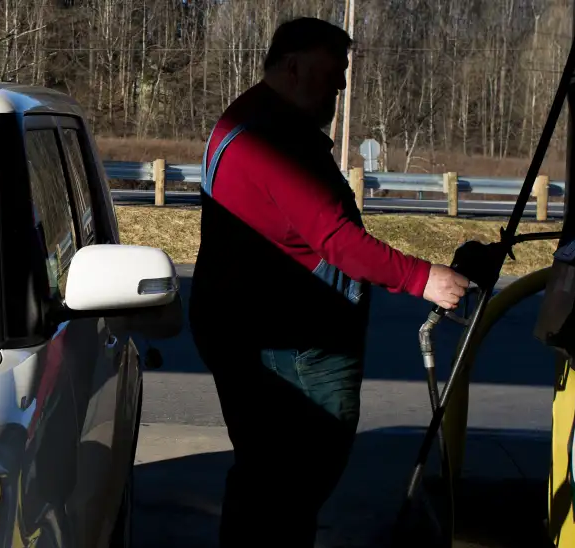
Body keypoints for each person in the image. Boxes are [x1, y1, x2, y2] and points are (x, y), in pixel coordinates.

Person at [189, 16, 469, 547]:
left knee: (266, 477)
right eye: (332, 74)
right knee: (295, 476)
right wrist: (424, 278)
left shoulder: (260, 121)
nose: (340, 87)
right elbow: (336, 240)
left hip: (263, 326)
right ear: (293, 67)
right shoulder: (265, 140)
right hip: (288, 340)